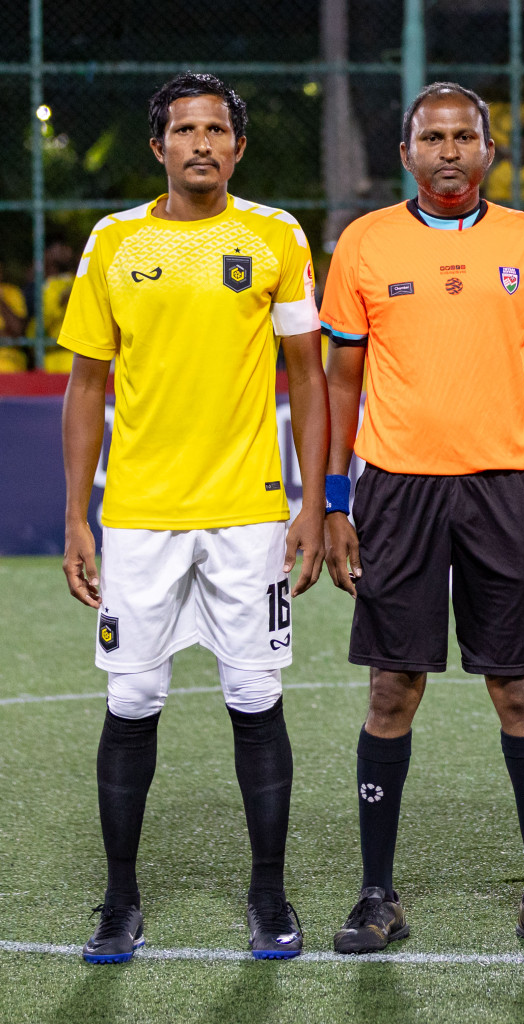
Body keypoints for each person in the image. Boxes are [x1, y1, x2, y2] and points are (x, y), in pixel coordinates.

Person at [58, 72, 328, 962]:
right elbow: (85, 385)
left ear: (238, 148)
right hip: (137, 516)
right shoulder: (114, 242)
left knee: (255, 695)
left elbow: (310, 376)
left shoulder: (275, 234)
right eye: (185, 130)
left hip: (249, 514)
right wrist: (77, 517)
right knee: (131, 699)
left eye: (217, 130)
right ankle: (119, 901)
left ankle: (269, 896)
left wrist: (315, 503)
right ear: (159, 146)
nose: (202, 143)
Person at [320, 82, 524, 955]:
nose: (447, 151)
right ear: (406, 152)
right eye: (431, 137)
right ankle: (375, 894)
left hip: (507, 488)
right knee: (392, 688)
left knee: (516, 688)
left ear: (488, 149)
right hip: (397, 488)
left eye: (463, 136)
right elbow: (342, 383)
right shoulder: (364, 243)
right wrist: (333, 500)